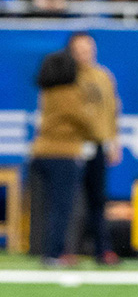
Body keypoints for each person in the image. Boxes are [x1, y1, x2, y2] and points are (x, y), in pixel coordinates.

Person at [28, 45, 106, 267]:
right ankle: (54, 253)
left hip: (40, 153)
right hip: (63, 154)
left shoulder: (47, 92)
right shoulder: (71, 93)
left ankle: (46, 250)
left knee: (46, 207)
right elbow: (87, 122)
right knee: (62, 207)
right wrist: (101, 135)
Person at [69, 33, 121, 266]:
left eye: (88, 48)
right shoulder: (67, 76)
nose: (85, 53)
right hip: (72, 145)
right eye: (80, 49)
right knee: (69, 200)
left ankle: (103, 250)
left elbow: (112, 110)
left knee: (98, 199)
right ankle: (67, 249)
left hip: (98, 144)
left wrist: (114, 141)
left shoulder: (103, 76)